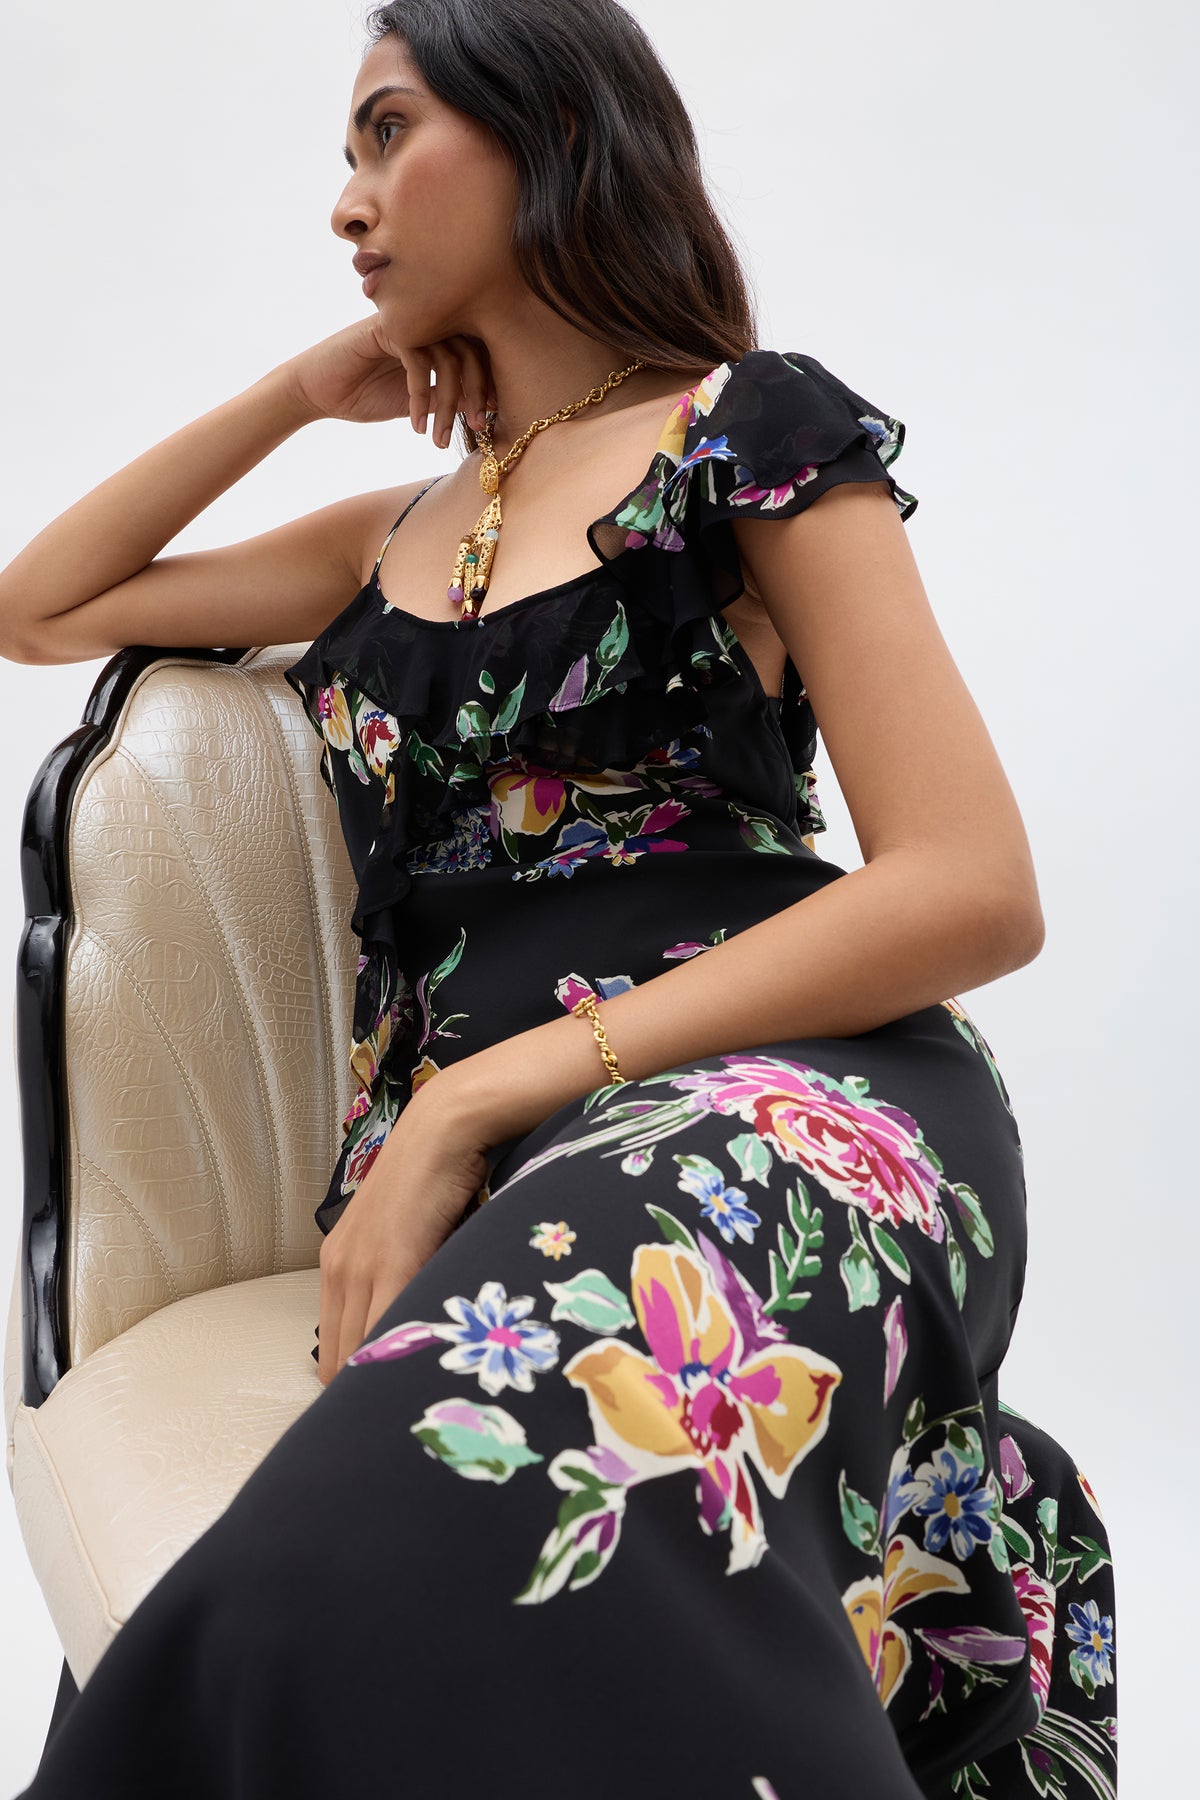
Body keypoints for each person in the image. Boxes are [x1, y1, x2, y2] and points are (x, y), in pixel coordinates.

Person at [1, 3, 1118, 1795]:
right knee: (354, 1555)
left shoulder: (745, 436)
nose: (348, 200)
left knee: (474, 1486)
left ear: (547, 128)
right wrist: (308, 388)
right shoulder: (389, 536)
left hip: (795, 1085)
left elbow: (975, 888)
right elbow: (38, 605)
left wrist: (491, 1084)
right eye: (344, 155)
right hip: (496, 1162)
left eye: (386, 133)